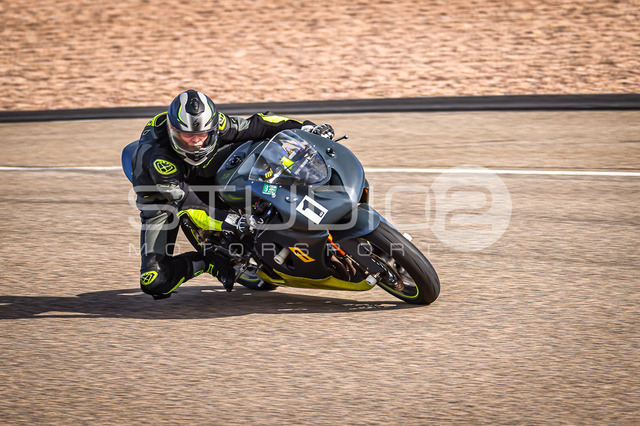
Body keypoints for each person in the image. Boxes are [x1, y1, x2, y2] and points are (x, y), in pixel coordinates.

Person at [131, 89, 334, 299]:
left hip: (201, 169)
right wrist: (233, 221)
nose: (196, 142)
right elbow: (188, 205)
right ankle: (209, 262)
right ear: (173, 131)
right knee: (155, 280)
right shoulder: (159, 160)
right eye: (188, 136)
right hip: (164, 198)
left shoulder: (216, 123)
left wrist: (307, 128)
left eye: (202, 135)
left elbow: (258, 123)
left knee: (259, 144)